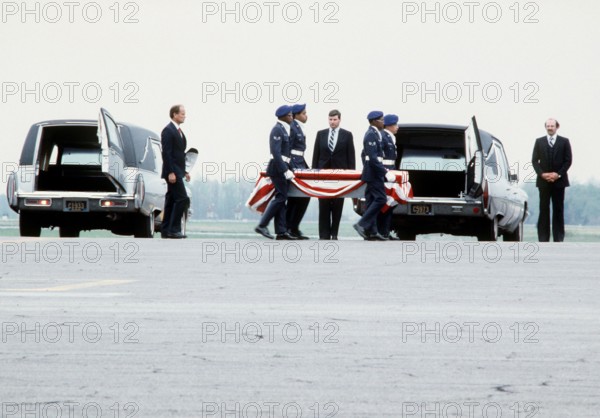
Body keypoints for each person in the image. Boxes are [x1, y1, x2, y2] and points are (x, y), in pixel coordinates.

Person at [254, 105, 299, 240]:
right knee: (280, 197)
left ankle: (281, 231)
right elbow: (275, 152)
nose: (292, 117)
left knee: (282, 198)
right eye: (290, 115)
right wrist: (285, 170)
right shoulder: (277, 130)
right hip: (277, 168)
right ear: (283, 116)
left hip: (283, 166)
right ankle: (262, 225)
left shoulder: (285, 129)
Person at [312, 109, 355, 240]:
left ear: (339, 119)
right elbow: (316, 155)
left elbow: (351, 157)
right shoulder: (321, 134)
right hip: (323, 175)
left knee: (337, 205)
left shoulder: (347, 135)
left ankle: (334, 233)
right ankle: (323, 235)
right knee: (323, 205)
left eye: (335, 119)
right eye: (330, 119)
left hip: (340, 176)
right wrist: (314, 174)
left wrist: (351, 176)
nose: (332, 122)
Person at [353, 111, 395, 241]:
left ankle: (372, 231)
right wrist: (384, 172)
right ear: (374, 121)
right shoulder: (371, 135)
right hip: (373, 173)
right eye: (381, 120)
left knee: (371, 200)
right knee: (381, 199)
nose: (383, 122)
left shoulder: (376, 134)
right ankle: (361, 224)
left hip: (373, 172)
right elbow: (371, 157)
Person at [531, 118, 573, 242]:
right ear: (545, 127)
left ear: (557, 127)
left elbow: (568, 160)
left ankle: (558, 238)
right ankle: (543, 238)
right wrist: (542, 174)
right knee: (543, 209)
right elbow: (534, 161)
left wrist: (558, 174)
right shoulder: (539, 142)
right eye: (548, 126)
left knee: (558, 209)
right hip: (543, 182)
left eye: (552, 126)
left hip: (559, 182)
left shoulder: (564, 142)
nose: (550, 128)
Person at [161, 104, 191, 239]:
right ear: (174, 114)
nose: (184, 116)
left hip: (178, 171)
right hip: (172, 172)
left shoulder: (178, 131)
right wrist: (171, 172)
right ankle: (174, 229)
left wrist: (185, 171)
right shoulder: (168, 130)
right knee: (182, 199)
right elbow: (166, 153)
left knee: (171, 200)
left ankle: (166, 230)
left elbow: (179, 154)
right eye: (182, 114)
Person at [285, 103, 310, 239]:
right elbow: (288, 149)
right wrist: (290, 167)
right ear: (296, 115)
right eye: (304, 113)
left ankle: (294, 227)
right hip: (294, 164)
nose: (306, 115)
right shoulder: (292, 128)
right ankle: (289, 227)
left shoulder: (299, 127)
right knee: (294, 198)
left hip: (300, 163)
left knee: (303, 197)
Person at [377, 114, 399, 240]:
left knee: (390, 204)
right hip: (385, 175)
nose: (397, 127)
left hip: (391, 173)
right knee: (384, 205)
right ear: (389, 125)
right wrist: (384, 172)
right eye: (395, 125)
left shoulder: (390, 137)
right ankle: (381, 231)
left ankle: (385, 231)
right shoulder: (383, 137)